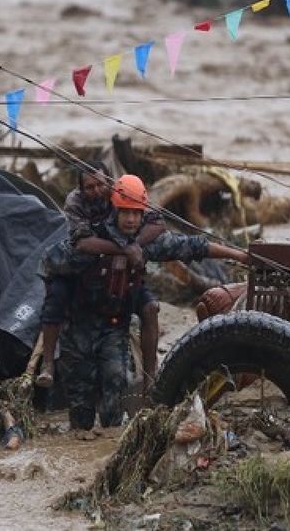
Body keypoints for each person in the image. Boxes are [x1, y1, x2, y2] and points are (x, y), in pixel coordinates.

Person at [56, 174, 248, 438]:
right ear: (114, 208)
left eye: (136, 213)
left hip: (113, 325)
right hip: (78, 326)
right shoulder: (92, 235)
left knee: (116, 380)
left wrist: (238, 255)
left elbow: (192, 246)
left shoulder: (143, 242)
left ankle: (128, 412)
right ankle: (80, 440)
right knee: (80, 407)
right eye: (125, 212)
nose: (131, 219)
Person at [35, 162, 165, 389]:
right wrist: (124, 248)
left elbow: (158, 222)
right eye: (90, 187)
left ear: (110, 182)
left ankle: (150, 376)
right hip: (79, 266)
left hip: (115, 267)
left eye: (100, 184)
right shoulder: (74, 203)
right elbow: (84, 243)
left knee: (149, 307)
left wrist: (134, 244)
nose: (96, 191)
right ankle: (47, 364)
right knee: (55, 298)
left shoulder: (122, 192)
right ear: (81, 189)